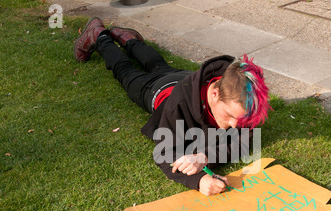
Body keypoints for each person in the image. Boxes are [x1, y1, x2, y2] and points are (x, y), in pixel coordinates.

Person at [73, 17, 271, 196]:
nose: (236, 126)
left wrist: (204, 157)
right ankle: (100, 36)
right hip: (157, 92)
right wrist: (198, 180)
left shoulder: (241, 97)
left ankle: (128, 39)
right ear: (215, 93)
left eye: (241, 119)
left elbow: (244, 142)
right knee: (125, 72)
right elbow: (165, 153)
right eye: (229, 116)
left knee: (157, 63)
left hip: (183, 77)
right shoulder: (179, 106)